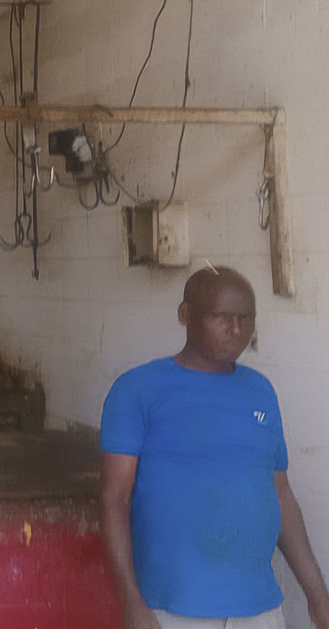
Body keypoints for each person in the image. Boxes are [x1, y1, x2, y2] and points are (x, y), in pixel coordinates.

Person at [100, 266, 329, 629]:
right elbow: (115, 499)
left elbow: (280, 492)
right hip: (173, 610)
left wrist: (318, 596)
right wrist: (132, 600)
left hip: (260, 610)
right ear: (185, 314)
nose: (236, 330)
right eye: (221, 317)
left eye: (245, 318)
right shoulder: (138, 390)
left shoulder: (261, 390)